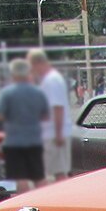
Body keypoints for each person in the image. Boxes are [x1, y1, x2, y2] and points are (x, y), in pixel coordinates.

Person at [0, 59, 50, 188]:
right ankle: (42, 201)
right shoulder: (38, 92)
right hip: (35, 140)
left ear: (13, 74)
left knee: (20, 177)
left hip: (14, 141)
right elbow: (46, 116)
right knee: (39, 176)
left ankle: (24, 203)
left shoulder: (7, 93)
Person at [29, 49, 72, 183]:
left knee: (58, 173)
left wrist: (58, 134)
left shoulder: (51, 80)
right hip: (52, 133)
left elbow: (57, 108)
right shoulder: (50, 80)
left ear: (38, 63)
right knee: (56, 171)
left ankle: (62, 199)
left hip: (54, 134)